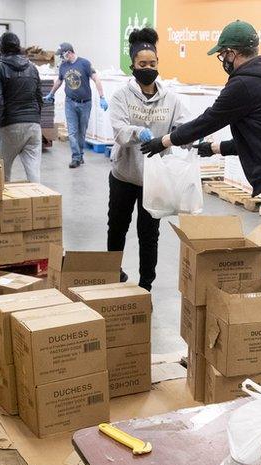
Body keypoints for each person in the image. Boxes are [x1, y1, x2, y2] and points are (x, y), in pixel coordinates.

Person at [140, 20, 261, 358]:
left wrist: (165, 140)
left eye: (222, 55)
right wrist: (214, 149)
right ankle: (254, 355)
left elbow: (207, 120)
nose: (222, 61)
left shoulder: (244, 85)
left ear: (231, 53)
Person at [107, 27, 188, 292]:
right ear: (132, 65)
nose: (148, 68)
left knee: (149, 234)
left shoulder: (171, 98)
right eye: (142, 64)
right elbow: (119, 132)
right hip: (124, 175)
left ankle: (145, 285)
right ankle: (112, 274)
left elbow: (185, 126)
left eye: (152, 63)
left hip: (154, 180)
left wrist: (181, 135)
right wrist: (137, 132)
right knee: (117, 227)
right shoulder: (121, 96)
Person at [45, 42, 108, 168]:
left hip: (85, 103)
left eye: (62, 55)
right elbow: (59, 80)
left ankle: (80, 155)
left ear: (68, 52)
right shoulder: (63, 66)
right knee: (72, 132)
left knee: (82, 131)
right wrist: (51, 93)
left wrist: (102, 97)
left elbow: (96, 79)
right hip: (70, 102)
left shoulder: (84, 63)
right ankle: (76, 157)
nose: (61, 58)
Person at [0, 32, 42, 182]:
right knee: (34, 174)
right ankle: (38, 201)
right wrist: (36, 119)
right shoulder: (32, 68)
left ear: (1, 48)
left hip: (10, 125)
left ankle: (8, 205)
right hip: (33, 125)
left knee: (3, 173)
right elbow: (39, 97)